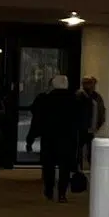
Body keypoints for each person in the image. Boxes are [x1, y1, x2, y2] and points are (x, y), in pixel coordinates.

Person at [26, 74, 85, 202]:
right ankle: (62, 193)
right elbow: (81, 122)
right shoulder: (75, 100)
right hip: (68, 139)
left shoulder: (45, 100)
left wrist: (30, 138)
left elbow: (37, 119)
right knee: (65, 167)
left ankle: (49, 190)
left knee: (49, 166)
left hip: (50, 138)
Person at [75, 77, 107, 193]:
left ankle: (90, 173)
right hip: (80, 130)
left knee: (90, 153)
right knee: (77, 152)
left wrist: (96, 126)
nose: (89, 86)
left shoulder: (97, 97)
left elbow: (101, 112)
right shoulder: (78, 96)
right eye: (87, 83)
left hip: (91, 130)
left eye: (91, 83)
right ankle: (78, 172)